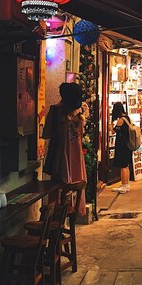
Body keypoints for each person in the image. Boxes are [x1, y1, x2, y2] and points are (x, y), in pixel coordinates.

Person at [42, 82, 87, 216]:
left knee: (55, 191)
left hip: (59, 157)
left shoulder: (56, 111)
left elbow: (46, 134)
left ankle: (54, 223)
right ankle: (62, 222)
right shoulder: (78, 116)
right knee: (70, 190)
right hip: (75, 159)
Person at [110, 101, 132, 193]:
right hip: (127, 145)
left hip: (122, 145)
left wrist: (110, 124)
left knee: (123, 166)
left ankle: (124, 185)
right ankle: (126, 184)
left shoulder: (121, 120)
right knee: (126, 165)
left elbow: (113, 131)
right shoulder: (127, 118)